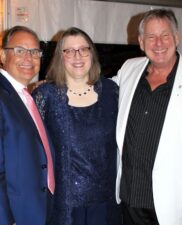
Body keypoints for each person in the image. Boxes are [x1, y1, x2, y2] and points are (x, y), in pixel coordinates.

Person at [113, 9, 182, 225]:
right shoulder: (129, 69)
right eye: (151, 37)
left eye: (165, 35)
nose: (159, 43)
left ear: (177, 37)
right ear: (141, 42)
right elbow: (99, 90)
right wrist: (57, 85)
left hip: (174, 205)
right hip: (128, 199)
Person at [0, 25, 55, 225]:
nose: (28, 58)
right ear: (3, 56)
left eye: (34, 52)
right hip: (9, 217)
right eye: (20, 51)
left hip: (32, 211)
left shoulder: (25, 96)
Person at [32, 27, 121, 225]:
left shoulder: (111, 91)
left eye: (83, 49)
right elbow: (29, 146)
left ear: (92, 53)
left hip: (105, 203)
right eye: (69, 51)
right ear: (60, 57)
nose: (77, 56)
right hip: (64, 206)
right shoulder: (45, 95)